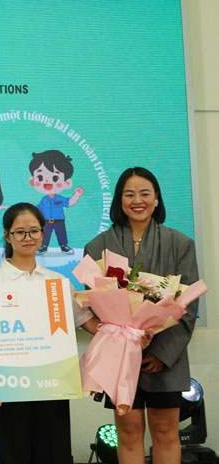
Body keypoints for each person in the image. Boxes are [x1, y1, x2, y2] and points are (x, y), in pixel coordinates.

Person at [84, 167, 199, 464]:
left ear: (157, 199)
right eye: (129, 194)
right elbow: (93, 302)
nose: (138, 200)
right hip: (119, 356)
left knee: (165, 431)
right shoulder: (98, 247)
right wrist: (121, 338)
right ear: (119, 201)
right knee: (129, 430)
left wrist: (162, 353)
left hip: (164, 359)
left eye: (145, 193)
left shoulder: (180, 244)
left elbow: (187, 306)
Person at [0, 202, 99, 464]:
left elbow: (89, 324)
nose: (27, 237)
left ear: (43, 234)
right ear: (7, 236)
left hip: (51, 386)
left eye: (34, 231)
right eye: (19, 232)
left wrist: (128, 331)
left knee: (54, 455)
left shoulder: (57, 282)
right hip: (8, 390)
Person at [28, 150, 84, 255]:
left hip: (59, 220)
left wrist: (76, 195)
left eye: (55, 178)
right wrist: (31, 207)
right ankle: (43, 247)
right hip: (46, 221)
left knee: (61, 233)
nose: (48, 182)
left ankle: (64, 246)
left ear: (66, 183)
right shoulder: (44, 199)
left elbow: (69, 203)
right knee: (45, 234)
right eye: (40, 177)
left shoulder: (59, 198)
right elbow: (39, 208)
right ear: (33, 181)